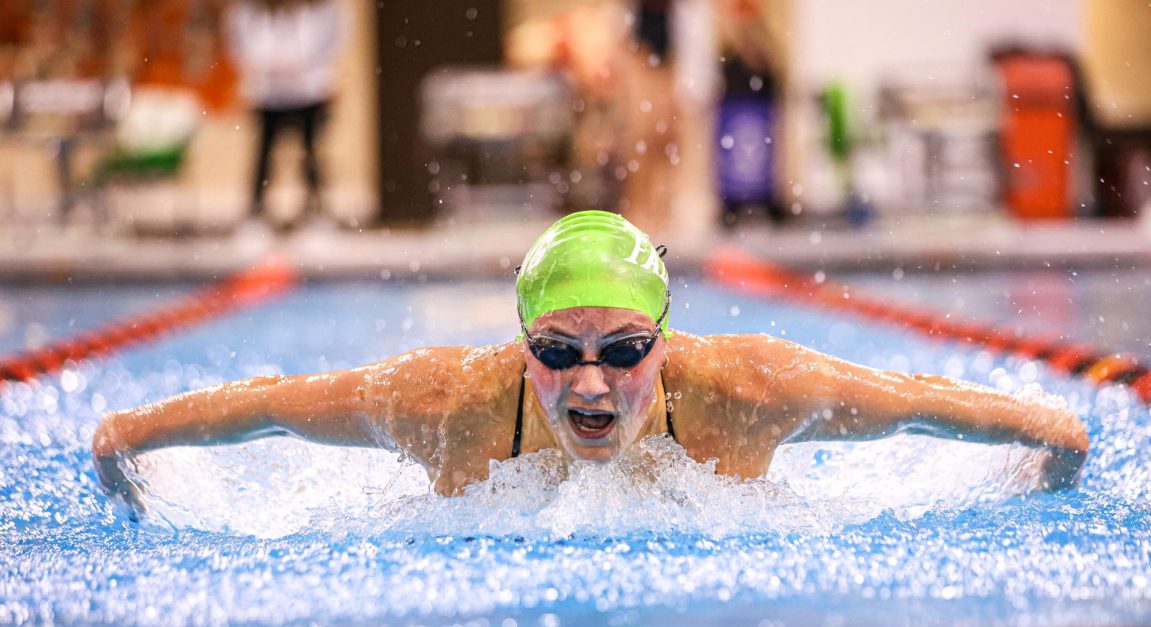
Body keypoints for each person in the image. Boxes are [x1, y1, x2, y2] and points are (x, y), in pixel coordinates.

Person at [93, 211, 1089, 514]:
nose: (591, 382)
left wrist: (1052, 449)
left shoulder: (750, 390)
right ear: (521, 349)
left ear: (666, 340)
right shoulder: (449, 405)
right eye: (557, 353)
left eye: (624, 351)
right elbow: (274, 403)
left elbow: (917, 400)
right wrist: (125, 444)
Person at [224, 0, 342, 223]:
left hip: (310, 91)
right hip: (268, 92)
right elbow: (239, 43)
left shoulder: (321, 10)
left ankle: (316, 207)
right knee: (264, 154)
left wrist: (308, 68)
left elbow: (333, 41)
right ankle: (256, 210)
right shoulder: (250, 11)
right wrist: (268, 64)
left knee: (312, 152)